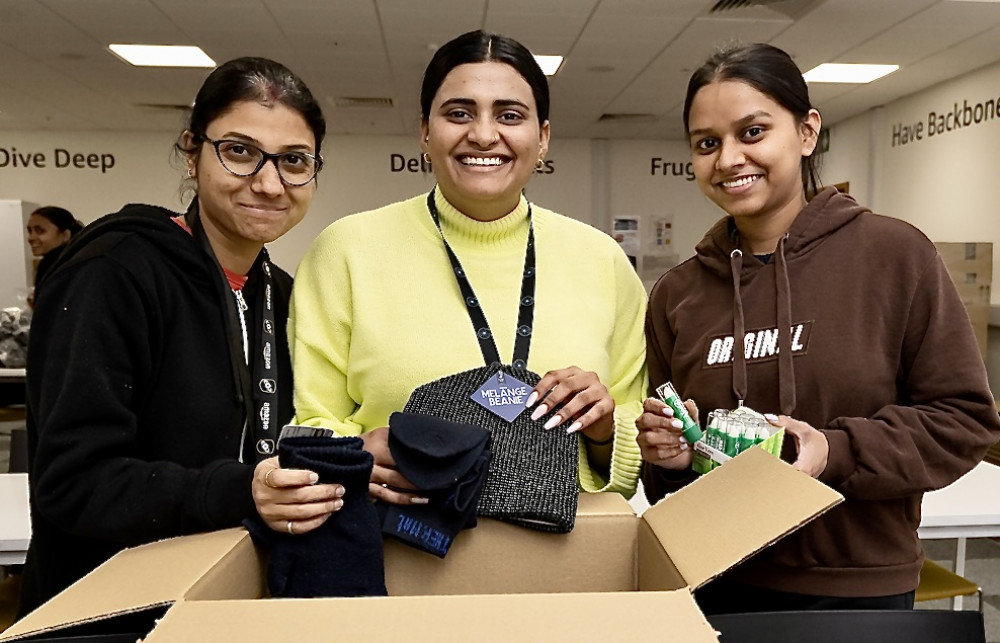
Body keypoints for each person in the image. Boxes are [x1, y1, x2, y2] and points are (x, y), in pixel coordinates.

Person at [637, 42, 1000, 613]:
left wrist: (831, 450)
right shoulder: (678, 294)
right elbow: (668, 480)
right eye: (707, 143)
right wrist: (673, 457)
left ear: (806, 133)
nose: (729, 157)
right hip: (711, 581)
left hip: (855, 591)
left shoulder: (893, 255)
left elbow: (962, 421)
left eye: (752, 132)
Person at [279, 30, 646, 524]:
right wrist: (353, 460)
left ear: (543, 139)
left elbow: (631, 434)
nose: (483, 134)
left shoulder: (602, 259)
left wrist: (603, 432)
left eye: (510, 115)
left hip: (565, 558)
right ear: (425, 134)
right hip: (396, 550)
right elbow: (313, 420)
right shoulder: (346, 251)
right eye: (459, 113)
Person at [18, 56, 342, 616]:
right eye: (240, 151)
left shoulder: (282, 295)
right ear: (193, 153)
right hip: (112, 609)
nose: (269, 183)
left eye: (294, 161)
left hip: (229, 595)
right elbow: (73, 481)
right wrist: (240, 490)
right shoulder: (112, 271)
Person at [25, 205, 83, 302]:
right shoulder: (81, 257)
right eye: (30, 231)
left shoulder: (52, 264)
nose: (30, 238)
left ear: (65, 235)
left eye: (40, 231)